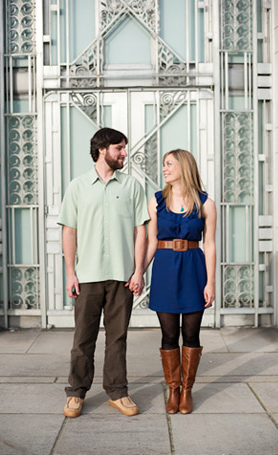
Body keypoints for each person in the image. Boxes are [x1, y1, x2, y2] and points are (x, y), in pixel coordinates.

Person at [58, 127, 149, 418]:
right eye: (119, 148)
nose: (124, 153)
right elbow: (69, 231)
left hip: (122, 276)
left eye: (124, 148)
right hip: (87, 276)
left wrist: (138, 271)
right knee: (83, 339)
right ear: (102, 150)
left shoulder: (133, 187)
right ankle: (76, 394)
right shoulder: (78, 186)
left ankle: (117, 393)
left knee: (117, 338)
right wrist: (70, 273)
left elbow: (140, 232)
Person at [142, 149, 216, 414]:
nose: (164, 169)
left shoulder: (205, 203)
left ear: (183, 166)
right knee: (169, 333)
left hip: (194, 270)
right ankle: (173, 389)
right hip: (164, 270)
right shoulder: (156, 201)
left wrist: (210, 283)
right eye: (163, 164)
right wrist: (139, 271)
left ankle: (187, 390)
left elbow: (209, 244)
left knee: (191, 333)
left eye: (169, 164)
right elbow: (151, 241)